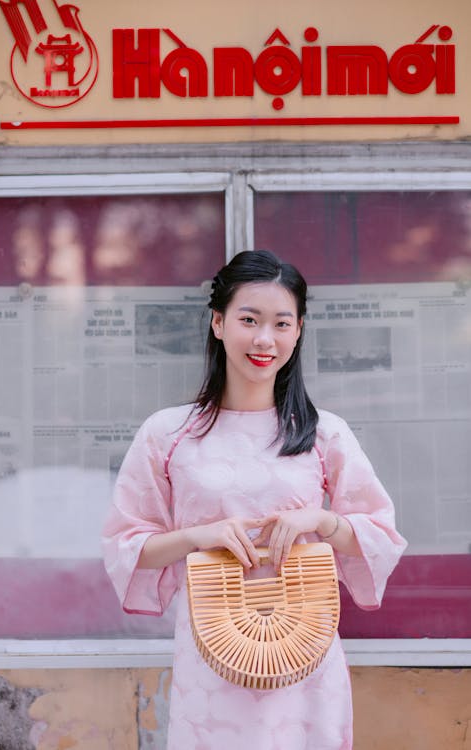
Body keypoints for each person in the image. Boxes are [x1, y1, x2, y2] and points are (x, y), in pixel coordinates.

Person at [102, 249, 407, 750]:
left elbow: (380, 535)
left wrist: (323, 521)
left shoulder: (324, 433)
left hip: (305, 649)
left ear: (299, 330)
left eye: (281, 323)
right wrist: (198, 536)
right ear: (218, 323)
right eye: (249, 320)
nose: (265, 339)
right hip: (210, 651)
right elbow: (126, 543)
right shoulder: (168, 433)